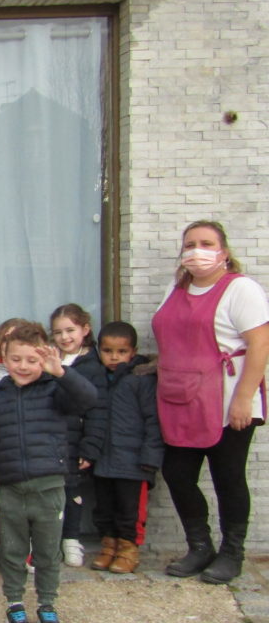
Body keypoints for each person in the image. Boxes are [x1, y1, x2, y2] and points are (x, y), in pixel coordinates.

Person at [152, 221, 269, 584]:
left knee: (228, 477)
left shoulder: (241, 289)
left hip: (227, 400)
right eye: (190, 243)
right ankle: (199, 547)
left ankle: (232, 552)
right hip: (180, 397)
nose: (196, 250)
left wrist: (243, 399)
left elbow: (260, 345)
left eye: (206, 243)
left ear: (224, 251)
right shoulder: (176, 287)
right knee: (177, 473)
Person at [0, 323, 97, 623]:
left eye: (31, 360)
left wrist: (62, 373)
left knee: (47, 552)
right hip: (10, 488)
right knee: (12, 551)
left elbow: (88, 398)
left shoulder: (56, 393)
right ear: (4, 359)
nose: (23, 366)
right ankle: (14, 603)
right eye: (16, 359)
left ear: (44, 359)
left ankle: (47, 604)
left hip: (50, 487)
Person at [81, 322, 163, 574]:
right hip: (103, 459)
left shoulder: (141, 379)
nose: (114, 357)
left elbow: (154, 420)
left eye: (121, 352)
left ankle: (128, 550)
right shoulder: (96, 377)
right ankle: (108, 547)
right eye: (107, 351)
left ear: (133, 351)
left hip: (133, 462)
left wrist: (151, 458)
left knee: (130, 511)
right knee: (103, 508)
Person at [49, 303, 108, 568]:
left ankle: (71, 538)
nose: (64, 337)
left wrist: (90, 446)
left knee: (73, 489)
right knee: (51, 490)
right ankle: (50, 539)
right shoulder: (51, 360)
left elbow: (99, 408)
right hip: (53, 438)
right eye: (58, 332)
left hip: (77, 439)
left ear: (85, 329)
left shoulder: (93, 365)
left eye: (70, 330)